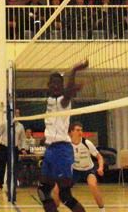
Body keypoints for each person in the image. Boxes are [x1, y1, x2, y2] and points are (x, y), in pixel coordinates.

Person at [37, 60, 89, 212]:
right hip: (50, 150)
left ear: (62, 86)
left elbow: (68, 94)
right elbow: (52, 123)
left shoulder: (63, 101)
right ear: (48, 85)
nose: (55, 86)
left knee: (65, 195)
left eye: (58, 84)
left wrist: (73, 71)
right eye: (52, 83)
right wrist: (47, 137)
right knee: (43, 191)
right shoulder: (49, 101)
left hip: (62, 151)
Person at [68, 122, 105, 212]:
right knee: (62, 188)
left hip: (89, 170)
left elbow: (99, 157)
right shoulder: (67, 145)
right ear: (71, 132)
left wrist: (100, 168)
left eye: (81, 130)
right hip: (75, 170)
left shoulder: (87, 143)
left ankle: (102, 209)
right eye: (77, 130)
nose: (80, 132)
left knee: (92, 185)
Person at [0, 108, 26, 189]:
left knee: (13, 168)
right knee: (1, 167)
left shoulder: (21, 126)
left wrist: (23, 148)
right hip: (4, 148)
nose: (16, 115)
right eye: (15, 113)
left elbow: (23, 139)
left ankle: (11, 185)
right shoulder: (5, 124)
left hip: (14, 149)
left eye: (18, 113)